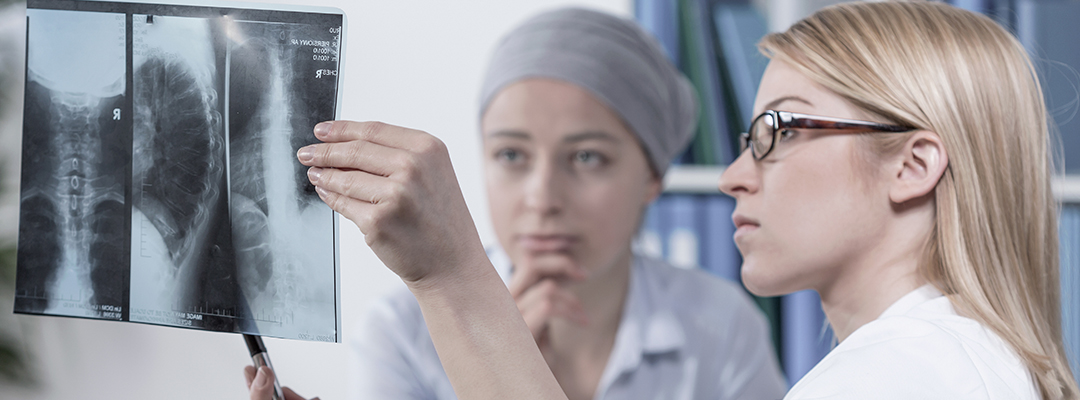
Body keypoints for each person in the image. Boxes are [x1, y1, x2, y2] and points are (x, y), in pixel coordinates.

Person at [252, 1, 1080, 399]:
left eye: (777, 132)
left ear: (912, 166)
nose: (733, 174)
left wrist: (452, 277)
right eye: (511, 153)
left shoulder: (898, 379)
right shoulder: (949, 361)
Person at [244, 8, 786, 400]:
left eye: (588, 158)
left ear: (652, 176)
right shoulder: (401, 331)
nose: (542, 198)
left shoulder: (722, 328)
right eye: (510, 154)